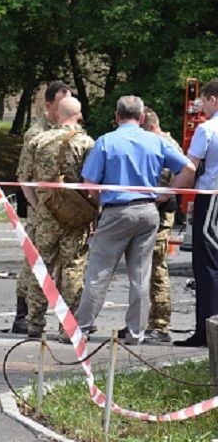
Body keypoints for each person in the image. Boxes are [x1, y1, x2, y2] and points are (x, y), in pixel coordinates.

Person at [74, 96, 194, 346]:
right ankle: (136, 333)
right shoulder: (156, 142)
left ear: (117, 116)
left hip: (116, 210)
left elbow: (88, 182)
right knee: (140, 276)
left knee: (99, 274)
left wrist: (100, 202)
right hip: (148, 211)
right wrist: (166, 194)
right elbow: (189, 169)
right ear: (141, 118)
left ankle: (81, 328)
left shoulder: (106, 141)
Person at [18, 97, 93, 339]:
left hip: (46, 216)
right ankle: (68, 326)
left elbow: (23, 178)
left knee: (41, 267)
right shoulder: (86, 143)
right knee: (72, 267)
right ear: (78, 115)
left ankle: (35, 323)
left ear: (58, 114)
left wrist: (38, 205)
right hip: (75, 217)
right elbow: (91, 184)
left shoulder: (38, 140)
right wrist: (92, 212)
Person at [11, 80, 72, 334]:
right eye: (61, 104)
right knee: (33, 263)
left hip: (64, 211)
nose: (65, 109)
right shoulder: (36, 134)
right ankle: (23, 315)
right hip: (42, 211)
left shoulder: (69, 131)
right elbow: (24, 176)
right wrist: (36, 208)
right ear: (48, 105)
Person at [178, 78, 218, 347]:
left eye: (203, 101)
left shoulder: (207, 129)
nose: (201, 106)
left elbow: (190, 168)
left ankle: (207, 331)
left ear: (213, 99)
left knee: (208, 265)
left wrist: (169, 193)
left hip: (212, 198)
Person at [137, 108, 181, 344]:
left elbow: (182, 173)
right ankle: (144, 321)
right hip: (150, 210)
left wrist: (165, 194)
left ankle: (160, 324)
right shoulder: (161, 142)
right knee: (145, 268)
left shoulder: (164, 144)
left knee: (156, 268)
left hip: (161, 214)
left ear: (150, 126)